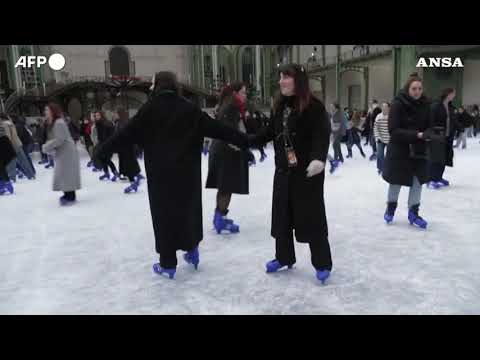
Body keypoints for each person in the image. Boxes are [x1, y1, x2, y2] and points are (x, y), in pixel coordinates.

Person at [93, 71, 250, 280]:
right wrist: (249, 140)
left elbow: (124, 135)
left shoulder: (149, 110)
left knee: (164, 216)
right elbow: (219, 129)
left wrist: (101, 152)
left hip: (160, 177)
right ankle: (192, 250)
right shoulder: (189, 108)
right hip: (187, 175)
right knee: (188, 210)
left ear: (157, 85)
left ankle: (168, 264)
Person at [250, 64, 333, 284]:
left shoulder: (313, 107)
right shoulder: (280, 106)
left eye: (285, 77)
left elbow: (321, 135)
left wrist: (318, 158)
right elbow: (268, 133)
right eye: (280, 77)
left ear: (299, 80)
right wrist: (244, 142)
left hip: (307, 173)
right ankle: (283, 257)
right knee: (282, 218)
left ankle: (322, 263)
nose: (281, 81)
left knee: (312, 217)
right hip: (283, 172)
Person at [382, 73, 439, 229]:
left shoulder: (426, 104)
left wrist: (429, 133)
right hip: (400, 150)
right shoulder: (398, 104)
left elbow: (430, 125)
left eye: (420, 88)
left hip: (419, 150)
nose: (417, 91)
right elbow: (393, 130)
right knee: (396, 181)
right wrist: (417, 134)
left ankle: (413, 212)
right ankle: (391, 208)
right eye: (414, 88)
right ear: (408, 89)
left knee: (417, 181)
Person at [206, 82, 253, 234]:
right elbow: (230, 134)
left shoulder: (229, 106)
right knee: (226, 186)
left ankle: (219, 217)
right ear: (235, 93)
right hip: (225, 152)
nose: (245, 95)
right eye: (243, 92)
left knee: (226, 186)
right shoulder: (231, 107)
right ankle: (219, 219)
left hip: (223, 150)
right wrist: (246, 150)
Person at [42, 102, 81, 206]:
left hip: (67, 152)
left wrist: (47, 146)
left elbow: (60, 139)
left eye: (47, 110)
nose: (45, 112)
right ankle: (68, 194)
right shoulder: (55, 122)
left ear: (52, 111)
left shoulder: (59, 122)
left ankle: (70, 196)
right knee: (64, 174)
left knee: (66, 174)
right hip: (63, 151)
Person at [428, 88, 458, 189]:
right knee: (436, 158)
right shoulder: (436, 106)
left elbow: (452, 120)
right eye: (453, 93)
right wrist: (432, 132)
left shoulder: (450, 107)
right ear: (448, 94)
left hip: (448, 136)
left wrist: (459, 127)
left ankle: (438, 177)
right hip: (437, 135)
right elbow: (431, 120)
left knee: (444, 158)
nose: (454, 95)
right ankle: (431, 179)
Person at [113, 107, 143, 194]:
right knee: (128, 164)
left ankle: (134, 182)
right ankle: (134, 179)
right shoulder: (119, 123)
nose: (114, 115)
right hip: (123, 148)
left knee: (129, 164)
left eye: (116, 114)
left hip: (126, 147)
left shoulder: (123, 123)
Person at [93, 110, 119, 181]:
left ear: (102, 115)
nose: (96, 117)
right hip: (102, 143)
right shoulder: (98, 123)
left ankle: (115, 172)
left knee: (106, 159)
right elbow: (100, 135)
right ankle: (107, 173)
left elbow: (108, 135)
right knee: (102, 158)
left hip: (108, 144)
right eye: (96, 116)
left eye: (98, 115)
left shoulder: (105, 123)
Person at [373, 102, 390, 175]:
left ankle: (387, 168)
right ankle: (380, 168)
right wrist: (377, 137)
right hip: (381, 139)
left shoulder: (392, 117)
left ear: (389, 108)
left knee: (389, 155)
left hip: (390, 140)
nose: (384, 108)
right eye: (383, 107)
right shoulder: (378, 117)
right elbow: (375, 128)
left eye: (385, 107)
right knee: (380, 155)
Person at [0, 122, 16, 195]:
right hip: (5, 143)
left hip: (3, 144)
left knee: (1, 167)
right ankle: (3, 185)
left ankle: (6, 183)